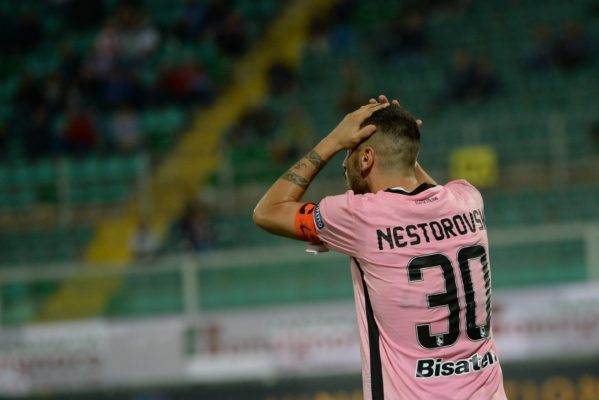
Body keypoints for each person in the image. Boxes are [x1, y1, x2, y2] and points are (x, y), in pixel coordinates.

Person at [253, 95, 506, 400]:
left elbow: (268, 211)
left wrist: (333, 140)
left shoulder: (360, 217)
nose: (344, 167)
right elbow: (423, 187)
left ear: (366, 158)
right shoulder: (467, 199)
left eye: (348, 156)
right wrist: (402, 137)